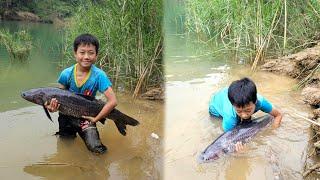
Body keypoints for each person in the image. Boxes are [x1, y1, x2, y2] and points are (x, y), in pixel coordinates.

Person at [45, 33, 117, 154]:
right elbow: (58, 96)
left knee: (97, 150)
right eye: (82, 52)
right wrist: (51, 108)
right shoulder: (66, 74)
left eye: (91, 53)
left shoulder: (99, 76)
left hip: (87, 118)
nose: (86, 56)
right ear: (75, 53)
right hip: (66, 117)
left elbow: (113, 101)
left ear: (96, 55)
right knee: (65, 144)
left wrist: (96, 119)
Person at [208, 77, 282, 151]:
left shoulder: (261, 102)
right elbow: (226, 141)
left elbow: (278, 115)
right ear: (233, 106)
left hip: (230, 99)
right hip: (216, 109)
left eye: (248, 110)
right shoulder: (230, 117)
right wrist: (239, 152)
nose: (244, 115)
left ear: (255, 102)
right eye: (239, 111)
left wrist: (274, 131)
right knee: (235, 131)